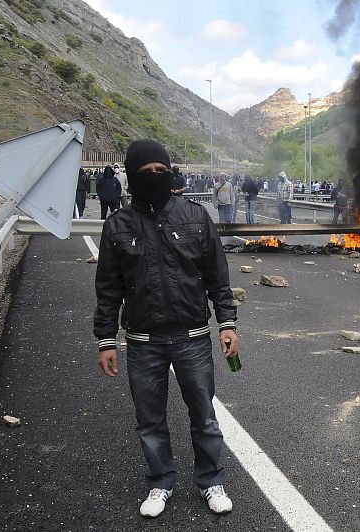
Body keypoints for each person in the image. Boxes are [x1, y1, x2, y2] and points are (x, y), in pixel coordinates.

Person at [94, 139, 238, 519]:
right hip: (143, 342)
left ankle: (211, 480)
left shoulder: (195, 217)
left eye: (161, 169)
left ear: (170, 172)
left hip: (192, 338)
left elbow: (217, 277)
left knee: (204, 416)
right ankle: (160, 482)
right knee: (149, 419)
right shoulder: (118, 225)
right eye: (145, 172)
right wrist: (106, 340)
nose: (155, 177)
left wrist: (227, 322)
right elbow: (108, 288)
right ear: (131, 176)